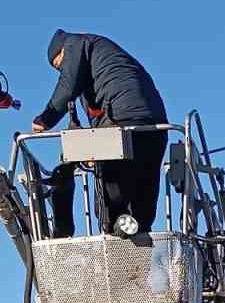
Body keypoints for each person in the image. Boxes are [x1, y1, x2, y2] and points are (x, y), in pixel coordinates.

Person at [31, 30, 168, 238]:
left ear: (61, 50)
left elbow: (68, 86)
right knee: (142, 198)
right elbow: (95, 113)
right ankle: (137, 242)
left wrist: (46, 118)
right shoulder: (106, 64)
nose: (62, 71)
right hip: (154, 125)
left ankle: (112, 235)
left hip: (122, 123)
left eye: (59, 65)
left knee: (110, 197)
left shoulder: (75, 43)